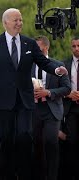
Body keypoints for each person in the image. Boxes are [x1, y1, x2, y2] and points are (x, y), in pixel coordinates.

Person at [0, 8, 68, 180]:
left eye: (21, 20)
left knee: (24, 138)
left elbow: (43, 62)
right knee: (6, 141)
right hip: (4, 100)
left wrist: (56, 70)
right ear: (5, 22)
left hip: (25, 100)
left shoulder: (29, 43)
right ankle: (7, 175)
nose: (20, 23)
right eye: (16, 20)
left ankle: (25, 175)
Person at [31, 35, 71, 180]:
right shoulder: (28, 66)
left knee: (51, 143)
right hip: (34, 111)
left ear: (46, 47)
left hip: (51, 110)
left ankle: (52, 177)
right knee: (36, 146)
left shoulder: (58, 65)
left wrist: (48, 92)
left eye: (39, 49)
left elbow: (67, 88)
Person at [59, 36, 79, 180]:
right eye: (74, 46)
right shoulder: (64, 64)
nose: (76, 49)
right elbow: (60, 87)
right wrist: (69, 94)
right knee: (71, 141)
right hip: (71, 108)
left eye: (78, 46)